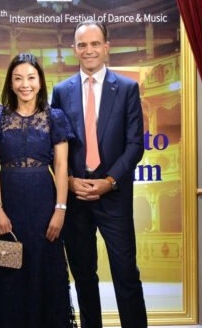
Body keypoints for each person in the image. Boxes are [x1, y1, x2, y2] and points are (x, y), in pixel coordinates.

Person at [51, 20, 148, 328]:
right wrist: (68, 181)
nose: (89, 50)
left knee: (126, 274)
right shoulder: (61, 91)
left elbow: (135, 145)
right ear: (74, 49)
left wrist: (109, 181)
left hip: (114, 197)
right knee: (83, 276)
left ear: (107, 47)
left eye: (95, 44)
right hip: (76, 198)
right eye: (82, 45)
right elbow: (54, 145)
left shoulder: (127, 89)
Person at [0, 53, 77, 328]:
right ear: (10, 83)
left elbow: (61, 165)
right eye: (18, 78)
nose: (25, 84)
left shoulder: (55, 118)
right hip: (8, 206)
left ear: (40, 82)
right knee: (6, 274)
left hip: (44, 206)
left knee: (45, 274)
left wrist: (60, 210)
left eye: (31, 78)